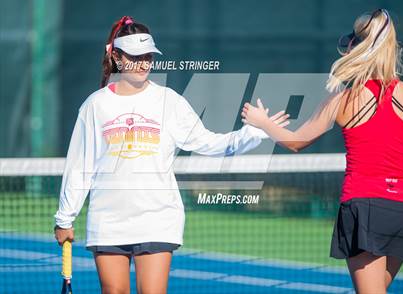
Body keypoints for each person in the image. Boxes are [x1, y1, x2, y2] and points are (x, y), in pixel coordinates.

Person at [53, 15, 288, 294]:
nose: (143, 63)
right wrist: (65, 218)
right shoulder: (95, 105)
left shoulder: (170, 101)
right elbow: (80, 165)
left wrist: (258, 131)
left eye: (148, 56)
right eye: (135, 56)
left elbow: (210, 144)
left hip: (158, 219)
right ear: (116, 56)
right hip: (108, 220)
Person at [241, 9, 403, 294]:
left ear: (356, 48)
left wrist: (262, 122)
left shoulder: (342, 100)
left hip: (365, 209)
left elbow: (296, 141)